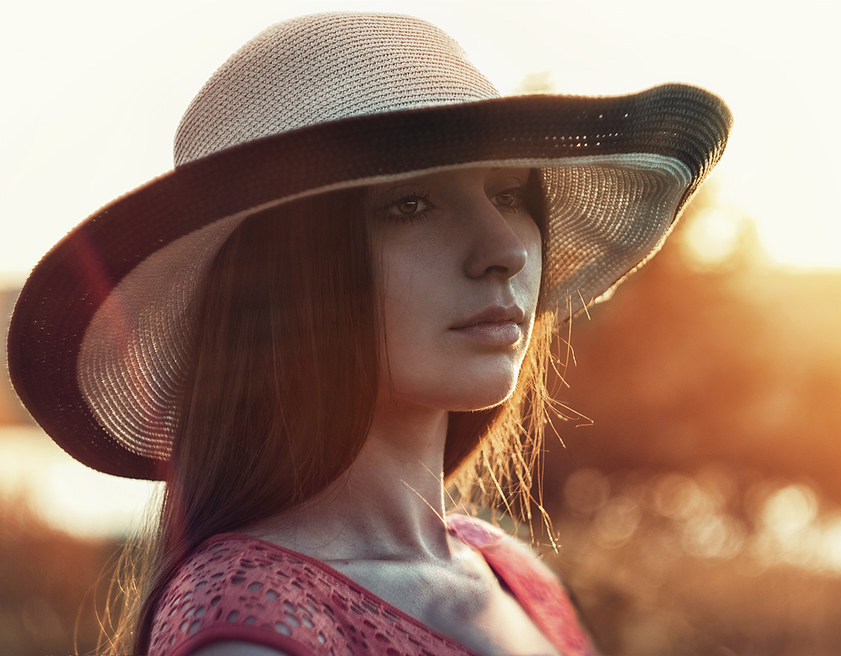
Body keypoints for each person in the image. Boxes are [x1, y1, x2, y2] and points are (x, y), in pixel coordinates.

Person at [6, 11, 731, 656]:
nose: (505, 250)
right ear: (285, 280)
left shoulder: (505, 568)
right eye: (411, 204)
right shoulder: (257, 629)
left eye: (510, 194)